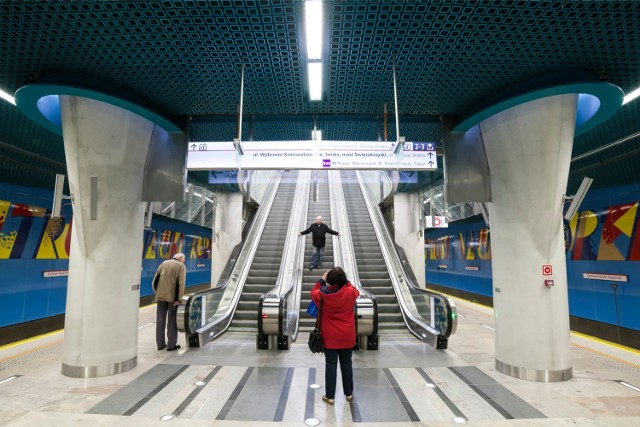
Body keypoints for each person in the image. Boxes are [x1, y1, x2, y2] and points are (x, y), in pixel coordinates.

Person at [310, 267, 359, 405]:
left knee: (331, 364)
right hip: (347, 335)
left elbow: (312, 291)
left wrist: (322, 280)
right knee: (347, 363)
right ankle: (349, 394)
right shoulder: (350, 292)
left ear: (330, 280)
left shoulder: (322, 295)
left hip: (329, 335)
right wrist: (345, 281)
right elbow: (355, 290)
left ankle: (330, 396)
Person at [152, 252, 186, 351]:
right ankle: (171, 345)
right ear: (180, 258)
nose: (184, 261)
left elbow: (155, 281)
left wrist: (158, 293)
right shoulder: (181, 266)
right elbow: (181, 284)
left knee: (160, 321)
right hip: (172, 299)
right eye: (183, 259)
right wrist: (179, 299)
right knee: (171, 321)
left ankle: (160, 344)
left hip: (160, 297)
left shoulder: (163, 263)